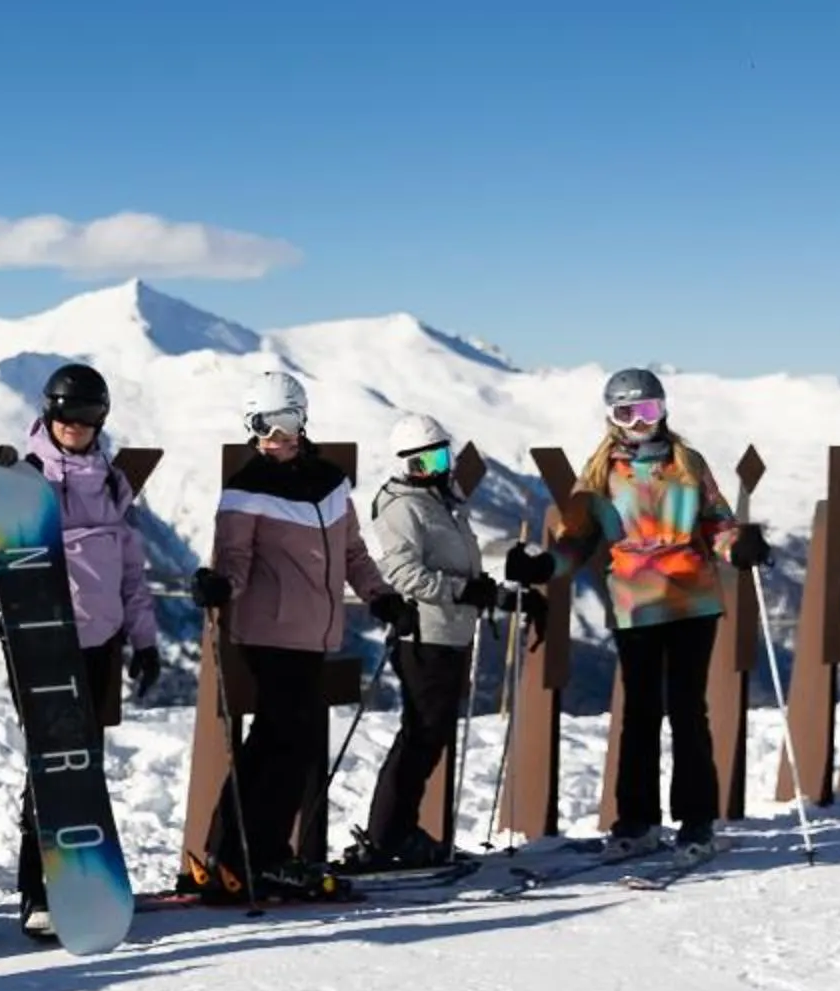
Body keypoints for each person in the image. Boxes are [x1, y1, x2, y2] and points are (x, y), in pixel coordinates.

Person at [503, 367, 770, 862]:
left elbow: (716, 525)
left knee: (689, 713)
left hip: (693, 602)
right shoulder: (602, 473)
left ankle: (696, 823)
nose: (640, 422)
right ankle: (637, 822)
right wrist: (543, 566)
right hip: (636, 608)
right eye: (627, 413)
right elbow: (578, 539)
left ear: (664, 410)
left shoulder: (687, 463)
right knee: (640, 715)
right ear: (611, 419)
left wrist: (742, 546)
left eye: (649, 410)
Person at [0, 362, 162, 939]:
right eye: (68, 413)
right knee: (52, 763)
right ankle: (37, 890)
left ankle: (82, 884)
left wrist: (144, 641)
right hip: (43, 641)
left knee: (83, 766)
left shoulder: (113, 483)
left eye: (90, 415)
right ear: (49, 412)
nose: (77, 425)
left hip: (99, 642)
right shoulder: (24, 477)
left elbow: (130, 570)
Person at [183, 371, 407, 902]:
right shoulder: (245, 490)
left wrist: (379, 595)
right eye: (263, 425)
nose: (275, 436)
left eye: (285, 422)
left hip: (317, 633)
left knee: (282, 745)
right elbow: (234, 561)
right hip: (270, 632)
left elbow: (353, 552)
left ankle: (241, 854)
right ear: (250, 429)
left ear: (303, 422)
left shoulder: (330, 483)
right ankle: (256, 856)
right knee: (283, 744)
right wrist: (219, 585)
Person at [345, 411, 505, 872]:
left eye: (440, 456)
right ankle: (387, 834)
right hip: (426, 634)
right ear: (402, 466)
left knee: (430, 736)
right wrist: (460, 590)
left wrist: (482, 588)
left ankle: (397, 831)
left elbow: (454, 559)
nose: (433, 467)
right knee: (421, 735)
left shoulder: (441, 500)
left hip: (451, 631)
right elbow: (401, 571)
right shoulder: (403, 506)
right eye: (421, 462)